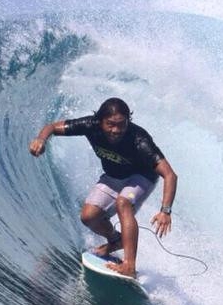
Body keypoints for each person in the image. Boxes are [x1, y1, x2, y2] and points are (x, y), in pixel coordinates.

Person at [29, 97, 176, 278]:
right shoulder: (90, 125)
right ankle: (116, 240)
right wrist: (41, 139)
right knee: (89, 217)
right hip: (114, 176)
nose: (116, 130)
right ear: (100, 121)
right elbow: (52, 127)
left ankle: (129, 265)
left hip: (142, 177)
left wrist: (165, 211)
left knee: (124, 202)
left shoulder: (139, 140)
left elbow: (170, 174)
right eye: (110, 124)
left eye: (122, 124)